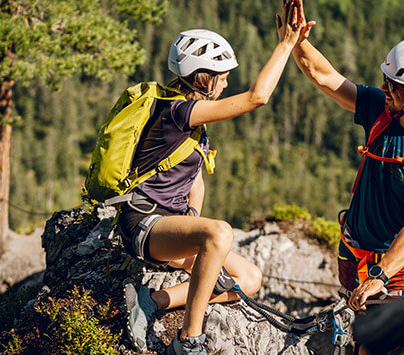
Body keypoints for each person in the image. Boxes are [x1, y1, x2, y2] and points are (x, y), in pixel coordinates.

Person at [119, 4, 306, 355]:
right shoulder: (178, 112)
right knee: (219, 231)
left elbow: (195, 180)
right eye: (222, 75)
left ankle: (152, 301)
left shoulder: (191, 119)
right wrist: (285, 45)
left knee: (249, 279)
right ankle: (189, 340)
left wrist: (190, 221)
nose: (227, 81)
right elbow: (257, 97)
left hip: (168, 229)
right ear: (204, 76)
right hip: (142, 225)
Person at [285, 0, 404, 351]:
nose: (384, 88)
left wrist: (381, 276)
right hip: (354, 257)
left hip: (402, 272)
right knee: (358, 339)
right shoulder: (381, 111)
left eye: (392, 84)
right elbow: (324, 77)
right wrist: (297, 41)